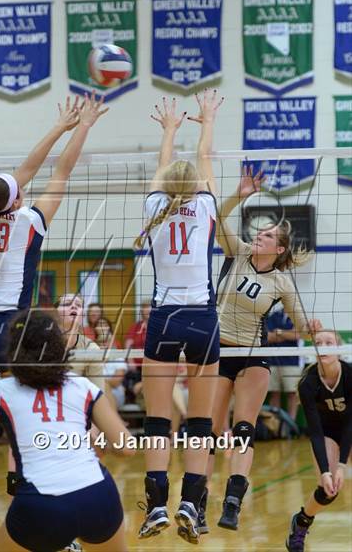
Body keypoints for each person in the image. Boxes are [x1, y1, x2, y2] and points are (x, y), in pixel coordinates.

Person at [0, 94, 108, 547]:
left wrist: (58, 127)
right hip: (15, 330)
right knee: (30, 423)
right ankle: (48, 509)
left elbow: (19, 177)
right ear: (18, 197)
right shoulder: (30, 220)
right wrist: (80, 125)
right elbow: (60, 173)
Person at [0, 310, 134, 552]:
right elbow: (126, 447)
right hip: (98, 496)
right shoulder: (83, 387)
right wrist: (93, 442)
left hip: (40, 505)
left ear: (13, 352)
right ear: (59, 348)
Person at [203, 165, 323, 533]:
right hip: (219, 352)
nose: (260, 235)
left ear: (280, 248)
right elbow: (217, 217)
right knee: (206, 430)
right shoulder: (237, 252)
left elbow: (300, 321)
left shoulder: (282, 281)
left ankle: (233, 500)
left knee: (243, 429)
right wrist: (240, 195)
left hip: (252, 355)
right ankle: (196, 500)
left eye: (268, 234)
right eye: (261, 231)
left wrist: (313, 329)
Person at [135, 91, 223, 544]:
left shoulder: (153, 207)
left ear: (167, 184)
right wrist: (206, 120)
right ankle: (192, 501)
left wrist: (168, 130)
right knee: (201, 423)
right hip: (203, 318)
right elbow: (203, 156)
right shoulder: (207, 205)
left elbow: (165, 167)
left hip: (165, 316)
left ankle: (156, 508)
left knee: (157, 419)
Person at [286, 330, 351, 552]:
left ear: (339, 350)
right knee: (328, 490)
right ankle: (301, 522)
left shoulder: (350, 375)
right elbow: (314, 430)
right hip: (326, 433)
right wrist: (326, 471)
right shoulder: (308, 382)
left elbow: (350, 424)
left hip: (350, 429)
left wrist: (343, 465)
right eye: (318, 342)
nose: (323, 346)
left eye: (329, 342)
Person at [56, 293, 104, 389]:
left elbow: (97, 392)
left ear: (82, 316)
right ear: (55, 313)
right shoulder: (41, 342)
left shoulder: (91, 348)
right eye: (67, 304)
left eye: (78, 305)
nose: (73, 306)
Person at [267, 306, 303, 420]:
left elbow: (298, 335)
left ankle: (290, 425)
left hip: (292, 361)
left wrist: (279, 332)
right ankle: (275, 425)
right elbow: (268, 337)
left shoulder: (299, 315)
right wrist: (288, 334)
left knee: (292, 394)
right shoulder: (274, 315)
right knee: (274, 393)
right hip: (273, 359)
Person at [125, 301, 151, 369]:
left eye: (150, 308)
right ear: (142, 312)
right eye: (146, 308)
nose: (148, 311)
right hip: (137, 365)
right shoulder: (135, 327)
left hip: (153, 364)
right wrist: (131, 362)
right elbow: (128, 346)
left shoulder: (159, 327)